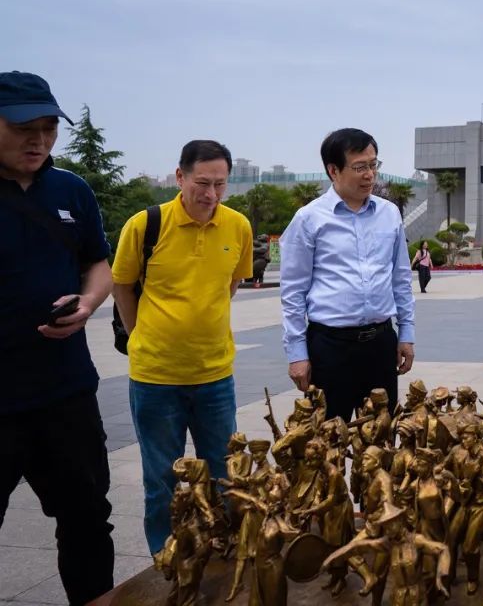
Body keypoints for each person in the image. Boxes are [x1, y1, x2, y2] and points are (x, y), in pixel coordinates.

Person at [0, 71, 116, 604]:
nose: (39, 141)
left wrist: (89, 301)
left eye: (49, 128)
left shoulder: (71, 189)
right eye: (24, 127)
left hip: (64, 391)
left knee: (88, 515)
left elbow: (97, 261)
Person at [113, 140, 253, 556]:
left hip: (214, 376)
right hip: (156, 378)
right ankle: (166, 553)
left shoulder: (237, 226)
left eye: (220, 185)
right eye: (202, 183)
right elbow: (122, 284)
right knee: (160, 479)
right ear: (180, 177)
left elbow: (231, 283)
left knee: (224, 472)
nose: (210, 194)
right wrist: (139, 334)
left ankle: (225, 547)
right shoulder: (145, 224)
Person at [280, 128, 415, 422]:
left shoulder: (389, 213)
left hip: (380, 345)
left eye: (373, 165)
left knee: (379, 448)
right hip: (330, 349)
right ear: (333, 170)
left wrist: (406, 334)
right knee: (328, 448)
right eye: (359, 167)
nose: (369, 174)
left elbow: (401, 278)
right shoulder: (309, 219)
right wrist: (297, 353)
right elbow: (293, 293)